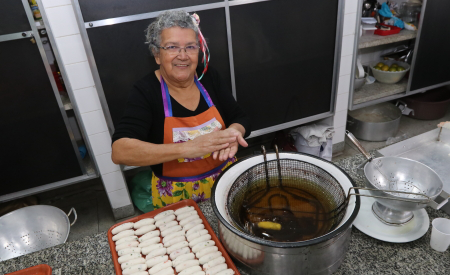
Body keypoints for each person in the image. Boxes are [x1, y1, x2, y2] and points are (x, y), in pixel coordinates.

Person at [111, 10, 251, 209]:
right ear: (157, 55)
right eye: (172, 47)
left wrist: (234, 133)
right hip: (176, 196)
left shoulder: (208, 76)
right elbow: (120, 151)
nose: (183, 56)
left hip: (226, 181)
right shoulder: (146, 91)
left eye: (190, 47)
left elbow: (240, 117)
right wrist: (189, 148)